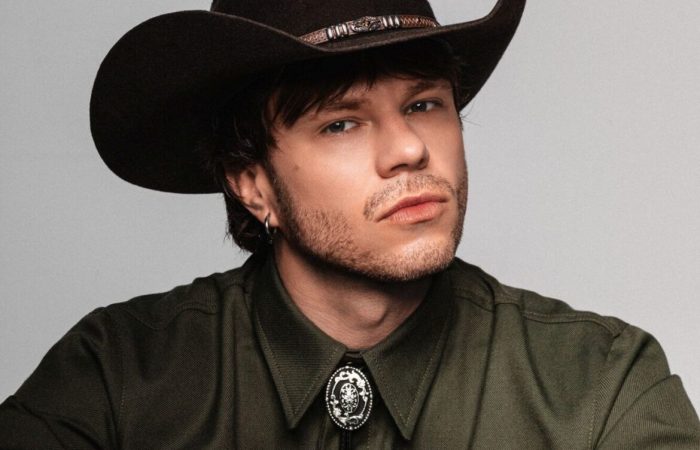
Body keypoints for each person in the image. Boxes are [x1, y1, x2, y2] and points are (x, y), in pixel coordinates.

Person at [1, 0, 698, 448]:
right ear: (252, 184)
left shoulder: (602, 385)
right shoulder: (117, 379)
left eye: (424, 105)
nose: (408, 150)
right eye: (341, 123)